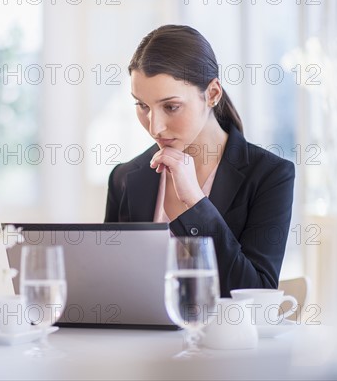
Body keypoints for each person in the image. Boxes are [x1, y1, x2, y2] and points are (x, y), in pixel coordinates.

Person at [104, 25, 295, 297]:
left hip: (222, 340)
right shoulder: (124, 177)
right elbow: (110, 288)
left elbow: (256, 294)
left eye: (171, 106)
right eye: (142, 105)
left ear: (213, 94)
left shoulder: (270, 175)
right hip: (141, 341)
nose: (155, 127)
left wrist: (196, 202)